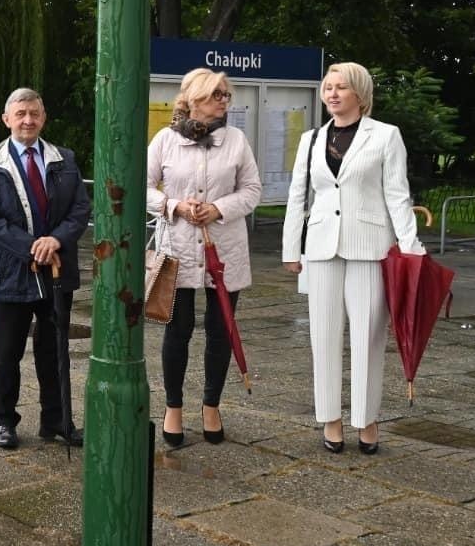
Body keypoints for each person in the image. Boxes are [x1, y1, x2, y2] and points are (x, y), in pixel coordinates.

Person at [282, 62, 424, 455]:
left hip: (370, 246)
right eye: (328, 87)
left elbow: (398, 194)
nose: (332, 93)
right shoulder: (312, 139)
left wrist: (410, 248)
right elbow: (299, 195)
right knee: (322, 337)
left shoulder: (385, 136)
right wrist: (292, 249)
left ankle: (367, 419)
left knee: (368, 337)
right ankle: (330, 418)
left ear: (359, 94)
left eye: (341, 87)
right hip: (322, 246)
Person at [146, 68, 263, 448]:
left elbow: (252, 189)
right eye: (216, 94)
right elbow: (140, 185)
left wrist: (218, 208)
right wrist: (175, 205)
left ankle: (211, 405)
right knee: (177, 330)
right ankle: (173, 407)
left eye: (226, 95)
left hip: (224, 249)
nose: (223, 101)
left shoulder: (236, 140)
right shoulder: (165, 140)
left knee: (220, 329)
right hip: (177, 248)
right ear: (193, 98)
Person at [0, 88, 91, 448]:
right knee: (8, 352)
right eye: (20, 113)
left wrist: (55, 240)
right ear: (6, 119)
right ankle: (5, 420)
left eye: (34, 113)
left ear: (43, 118)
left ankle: (56, 420)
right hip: (12, 272)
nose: (28, 120)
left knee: (55, 350)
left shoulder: (64, 160)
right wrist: (32, 248)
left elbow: (80, 211)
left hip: (57, 270)